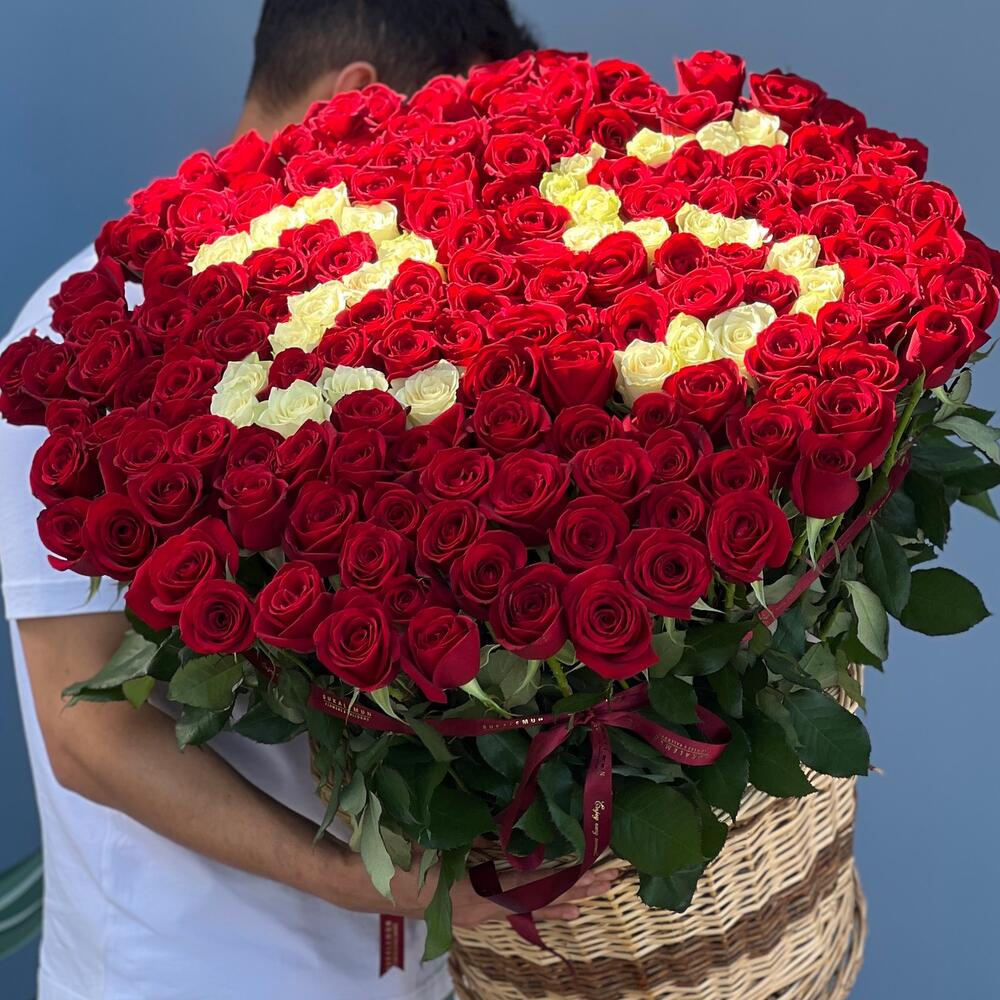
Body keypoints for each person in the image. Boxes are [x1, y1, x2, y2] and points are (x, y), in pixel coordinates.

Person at [0, 4, 622, 999]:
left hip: (419, 969)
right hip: (196, 973)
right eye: (446, 126)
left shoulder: (410, 302)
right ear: (358, 101)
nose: (456, 166)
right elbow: (91, 737)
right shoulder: (87, 336)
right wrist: (355, 881)